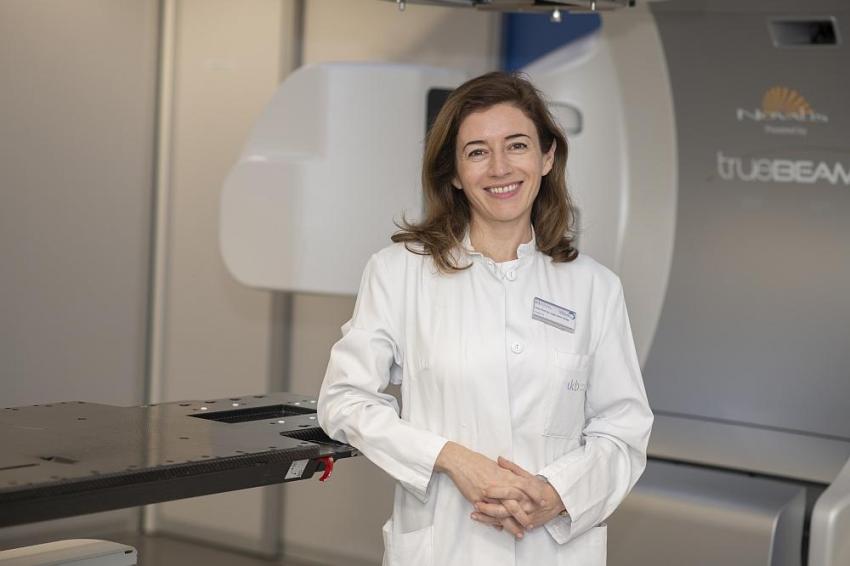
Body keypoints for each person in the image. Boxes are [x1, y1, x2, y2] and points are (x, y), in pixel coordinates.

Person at [318, 71, 653, 566]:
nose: (500, 167)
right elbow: (344, 400)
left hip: (551, 547)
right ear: (454, 173)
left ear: (547, 157)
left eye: (517, 145)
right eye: (477, 152)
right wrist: (451, 458)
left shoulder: (594, 287)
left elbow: (623, 429)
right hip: (445, 545)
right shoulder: (398, 272)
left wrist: (556, 494)